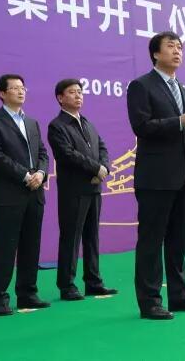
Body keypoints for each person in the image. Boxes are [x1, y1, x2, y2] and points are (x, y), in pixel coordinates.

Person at [126, 31, 185, 320]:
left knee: (178, 241)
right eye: (171, 46)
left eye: (180, 47)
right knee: (151, 241)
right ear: (155, 53)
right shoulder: (141, 86)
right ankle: (150, 301)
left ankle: (179, 295)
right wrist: (178, 121)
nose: (177, 51)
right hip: (156, 177)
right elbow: (141, 126)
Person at [0, 74, 50, 316]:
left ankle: (27, 294)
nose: (21, 91)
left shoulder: (32, 122)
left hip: (35, 192)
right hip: (9, 194)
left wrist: (41, 173)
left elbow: (43, 153)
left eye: (23, 88)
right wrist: (25, 175)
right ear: (2, 93)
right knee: (5, 247)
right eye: (15, 88)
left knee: (31, 245)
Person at [47, 79, 118, 301]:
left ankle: (93, 282)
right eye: (72, 92)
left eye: (80, 91)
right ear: (60, 98)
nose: (78, 95)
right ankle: (67, 285)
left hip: (94, 187)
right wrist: (96, 168)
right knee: (71, 237)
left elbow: (102, 147)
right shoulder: (57, 126)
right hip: (74, 190)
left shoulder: (87, 123)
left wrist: (104, 167)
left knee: (92, 236)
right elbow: (67, 154)